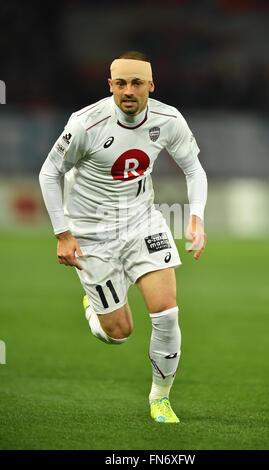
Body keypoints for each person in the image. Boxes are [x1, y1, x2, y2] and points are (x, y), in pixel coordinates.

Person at [39, 51, 207, 423]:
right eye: (120, 83)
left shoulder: (168, 120)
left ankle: (160, 399)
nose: (128, 91)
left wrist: (195, 218)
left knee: (166, 313)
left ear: (150, 85)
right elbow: (49, 174)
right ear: (110, 85)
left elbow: (194, 169)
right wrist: (63, 235)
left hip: (141, 222)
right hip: (91, 233)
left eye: (136, 83)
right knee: (117, 333)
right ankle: (93, 306)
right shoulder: (86, 123)